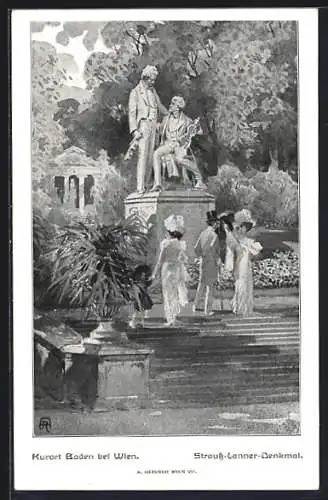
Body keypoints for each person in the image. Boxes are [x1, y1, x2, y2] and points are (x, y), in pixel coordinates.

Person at [152, 95, 207, 191]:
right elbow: (162, 131)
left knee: (180, 159)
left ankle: (199, 179)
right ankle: (157, 184)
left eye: (173, 104)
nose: (170, 106)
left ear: (178, 107)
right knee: (156, 154)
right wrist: (158, 127)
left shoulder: (186, 120)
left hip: (180, 146)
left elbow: (200, 131)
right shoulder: (166, 119)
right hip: (168, 144)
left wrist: (195, 128)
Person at [128, 65, 168, 193]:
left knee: (151, 156)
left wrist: (169, 114)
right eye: (151, 79)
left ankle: (147, 184)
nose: (153, 82)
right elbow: (132, 113)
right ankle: (140, 187)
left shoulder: (153, 91)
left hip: (153, 126)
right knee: (143, 156)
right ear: (145, 78)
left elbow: (160, 106)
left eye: (154, 79)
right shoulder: (135, 92)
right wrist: (134, 130)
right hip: (143, 126)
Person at [151, 215, 189, 326]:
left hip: (167, 269)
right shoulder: (180, 244)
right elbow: (184, 258)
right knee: (174, 294)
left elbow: (160, 261)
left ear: (169, 232)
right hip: (176, 268)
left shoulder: (166, 244)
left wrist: (154, 274)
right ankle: (174, 317)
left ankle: (170, 318)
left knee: (168, 294)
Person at [230, 209, 263, 317]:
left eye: (246, 228)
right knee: (241, 284)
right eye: (244, 227)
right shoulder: (237, 240)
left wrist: (251, 255)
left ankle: (244, 308)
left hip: (245, 264)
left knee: (246, 284)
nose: (245, 229)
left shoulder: (247, 241)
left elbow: (256, 253)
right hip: (241, 264)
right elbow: (236, 254)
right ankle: (239, 308)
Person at [192, 210, 221, 316]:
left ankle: (196, 306)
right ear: (213, 223)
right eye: (217, 223)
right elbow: (215, 250)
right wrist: (216, 259)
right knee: (210, 287)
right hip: (211, 263)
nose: (218, 225)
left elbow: (196, 249)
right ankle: (207, 310)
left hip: (203, 262)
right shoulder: (214, 235)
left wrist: (202, 256)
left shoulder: (203, 233)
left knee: (201, 284)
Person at [129, 264, 153, 329]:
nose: (143, 276)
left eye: (144, 275)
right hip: (139, 302)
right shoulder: (136, 285)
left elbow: (148, 283)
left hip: (143, 301)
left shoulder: (142, 284)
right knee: (137, 313)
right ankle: (136, 324)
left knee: (140, 314)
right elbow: (137, 298)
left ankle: (139, 324)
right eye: (142, 275)